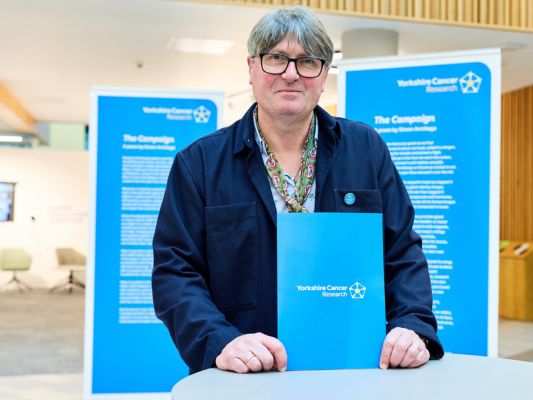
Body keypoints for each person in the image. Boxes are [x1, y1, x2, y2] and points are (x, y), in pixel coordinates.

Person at [152, 6, 443, 375]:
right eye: (276, 58)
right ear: (252, 68)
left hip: (352, 368)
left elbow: (401, 250)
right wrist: (220, 340)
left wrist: (412, 325)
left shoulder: (365, 148)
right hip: (245, 372)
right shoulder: (199, 164)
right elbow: (175, 271)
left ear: (323, 76)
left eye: (307, 62)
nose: (291, 74)